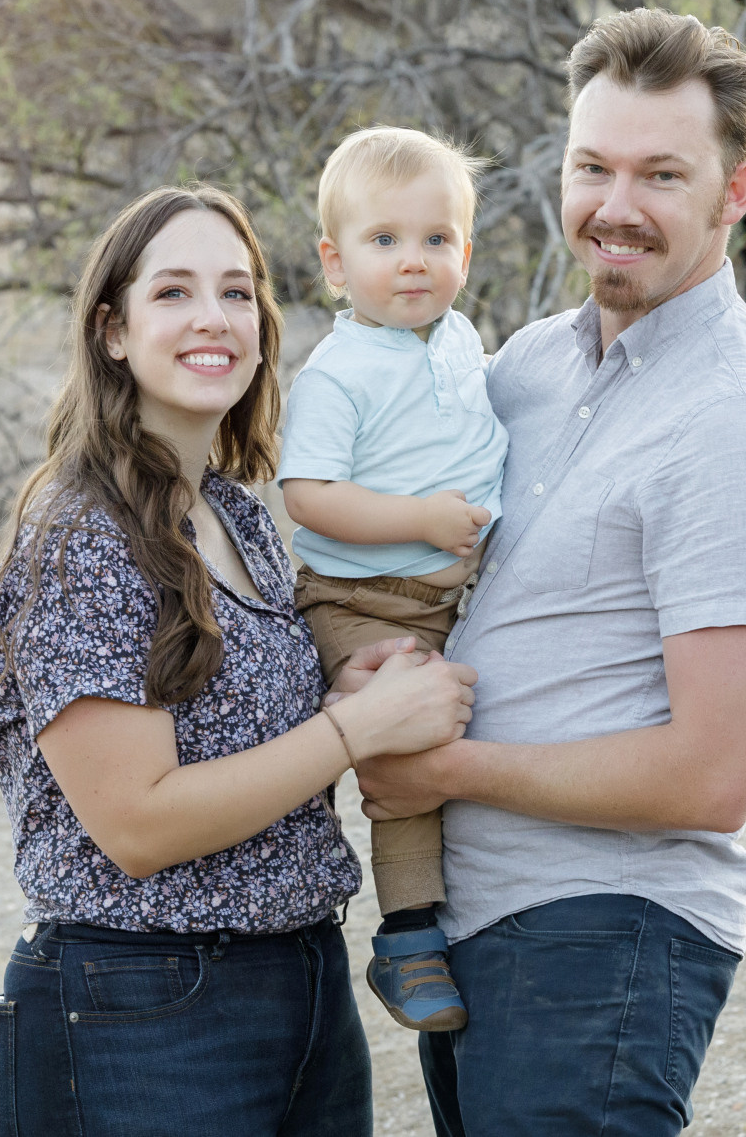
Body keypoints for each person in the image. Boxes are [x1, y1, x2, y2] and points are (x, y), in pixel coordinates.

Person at [354, 9, 746, 1136]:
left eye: (663, 174)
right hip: (486, 930)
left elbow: (712, 774)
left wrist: (448, 771)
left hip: (607, 932)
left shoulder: (738, 421)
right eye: (593, 167)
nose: (616, 206)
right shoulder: (526, 368)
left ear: (737, 191)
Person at [0, 184, 477, 1137]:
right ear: (112, 332)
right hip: (140, 1001)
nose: (214, 319)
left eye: (237, 293)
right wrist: (353, 729)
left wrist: (348, 691)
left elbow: (250, 731)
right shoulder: (83, 536)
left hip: (299, 979)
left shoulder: (238, 513)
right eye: (172, 293)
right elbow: (138, 823)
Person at [278, 127, 509, 1032]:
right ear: (335, 264)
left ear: (464, 251)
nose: (412, 262)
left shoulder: (459, 341)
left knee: (477, 730)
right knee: (405, 741)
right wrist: (419, 520)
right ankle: (407, 937)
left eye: (435, 239)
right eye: (384, 242)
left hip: (453, 595)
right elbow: (308, 495)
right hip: (361, 600)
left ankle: (480, 906)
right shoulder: (339, 371)